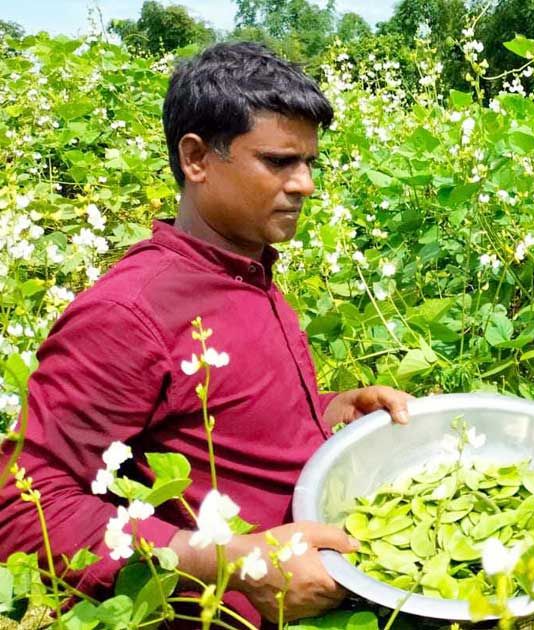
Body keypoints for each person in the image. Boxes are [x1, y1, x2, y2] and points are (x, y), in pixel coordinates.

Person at [0, 42, 412, 625]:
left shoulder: (248, 268)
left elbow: (210, 422)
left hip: (330, 578)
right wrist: (232, 562)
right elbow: (24, 509)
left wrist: (328, 412)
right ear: (196, 158)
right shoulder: (128, 313)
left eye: (310, 163)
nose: (306, 185)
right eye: (278, 161)